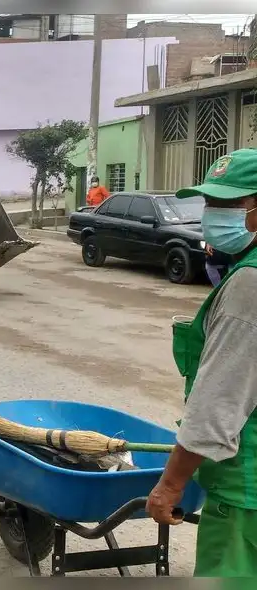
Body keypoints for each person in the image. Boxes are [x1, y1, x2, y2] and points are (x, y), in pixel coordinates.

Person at [146, 148, 257, 577]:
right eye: (210, 203)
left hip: (246, 494)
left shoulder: (249, 284)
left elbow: (218, 403)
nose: (212, 214)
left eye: (228, 204)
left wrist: (170, 484)